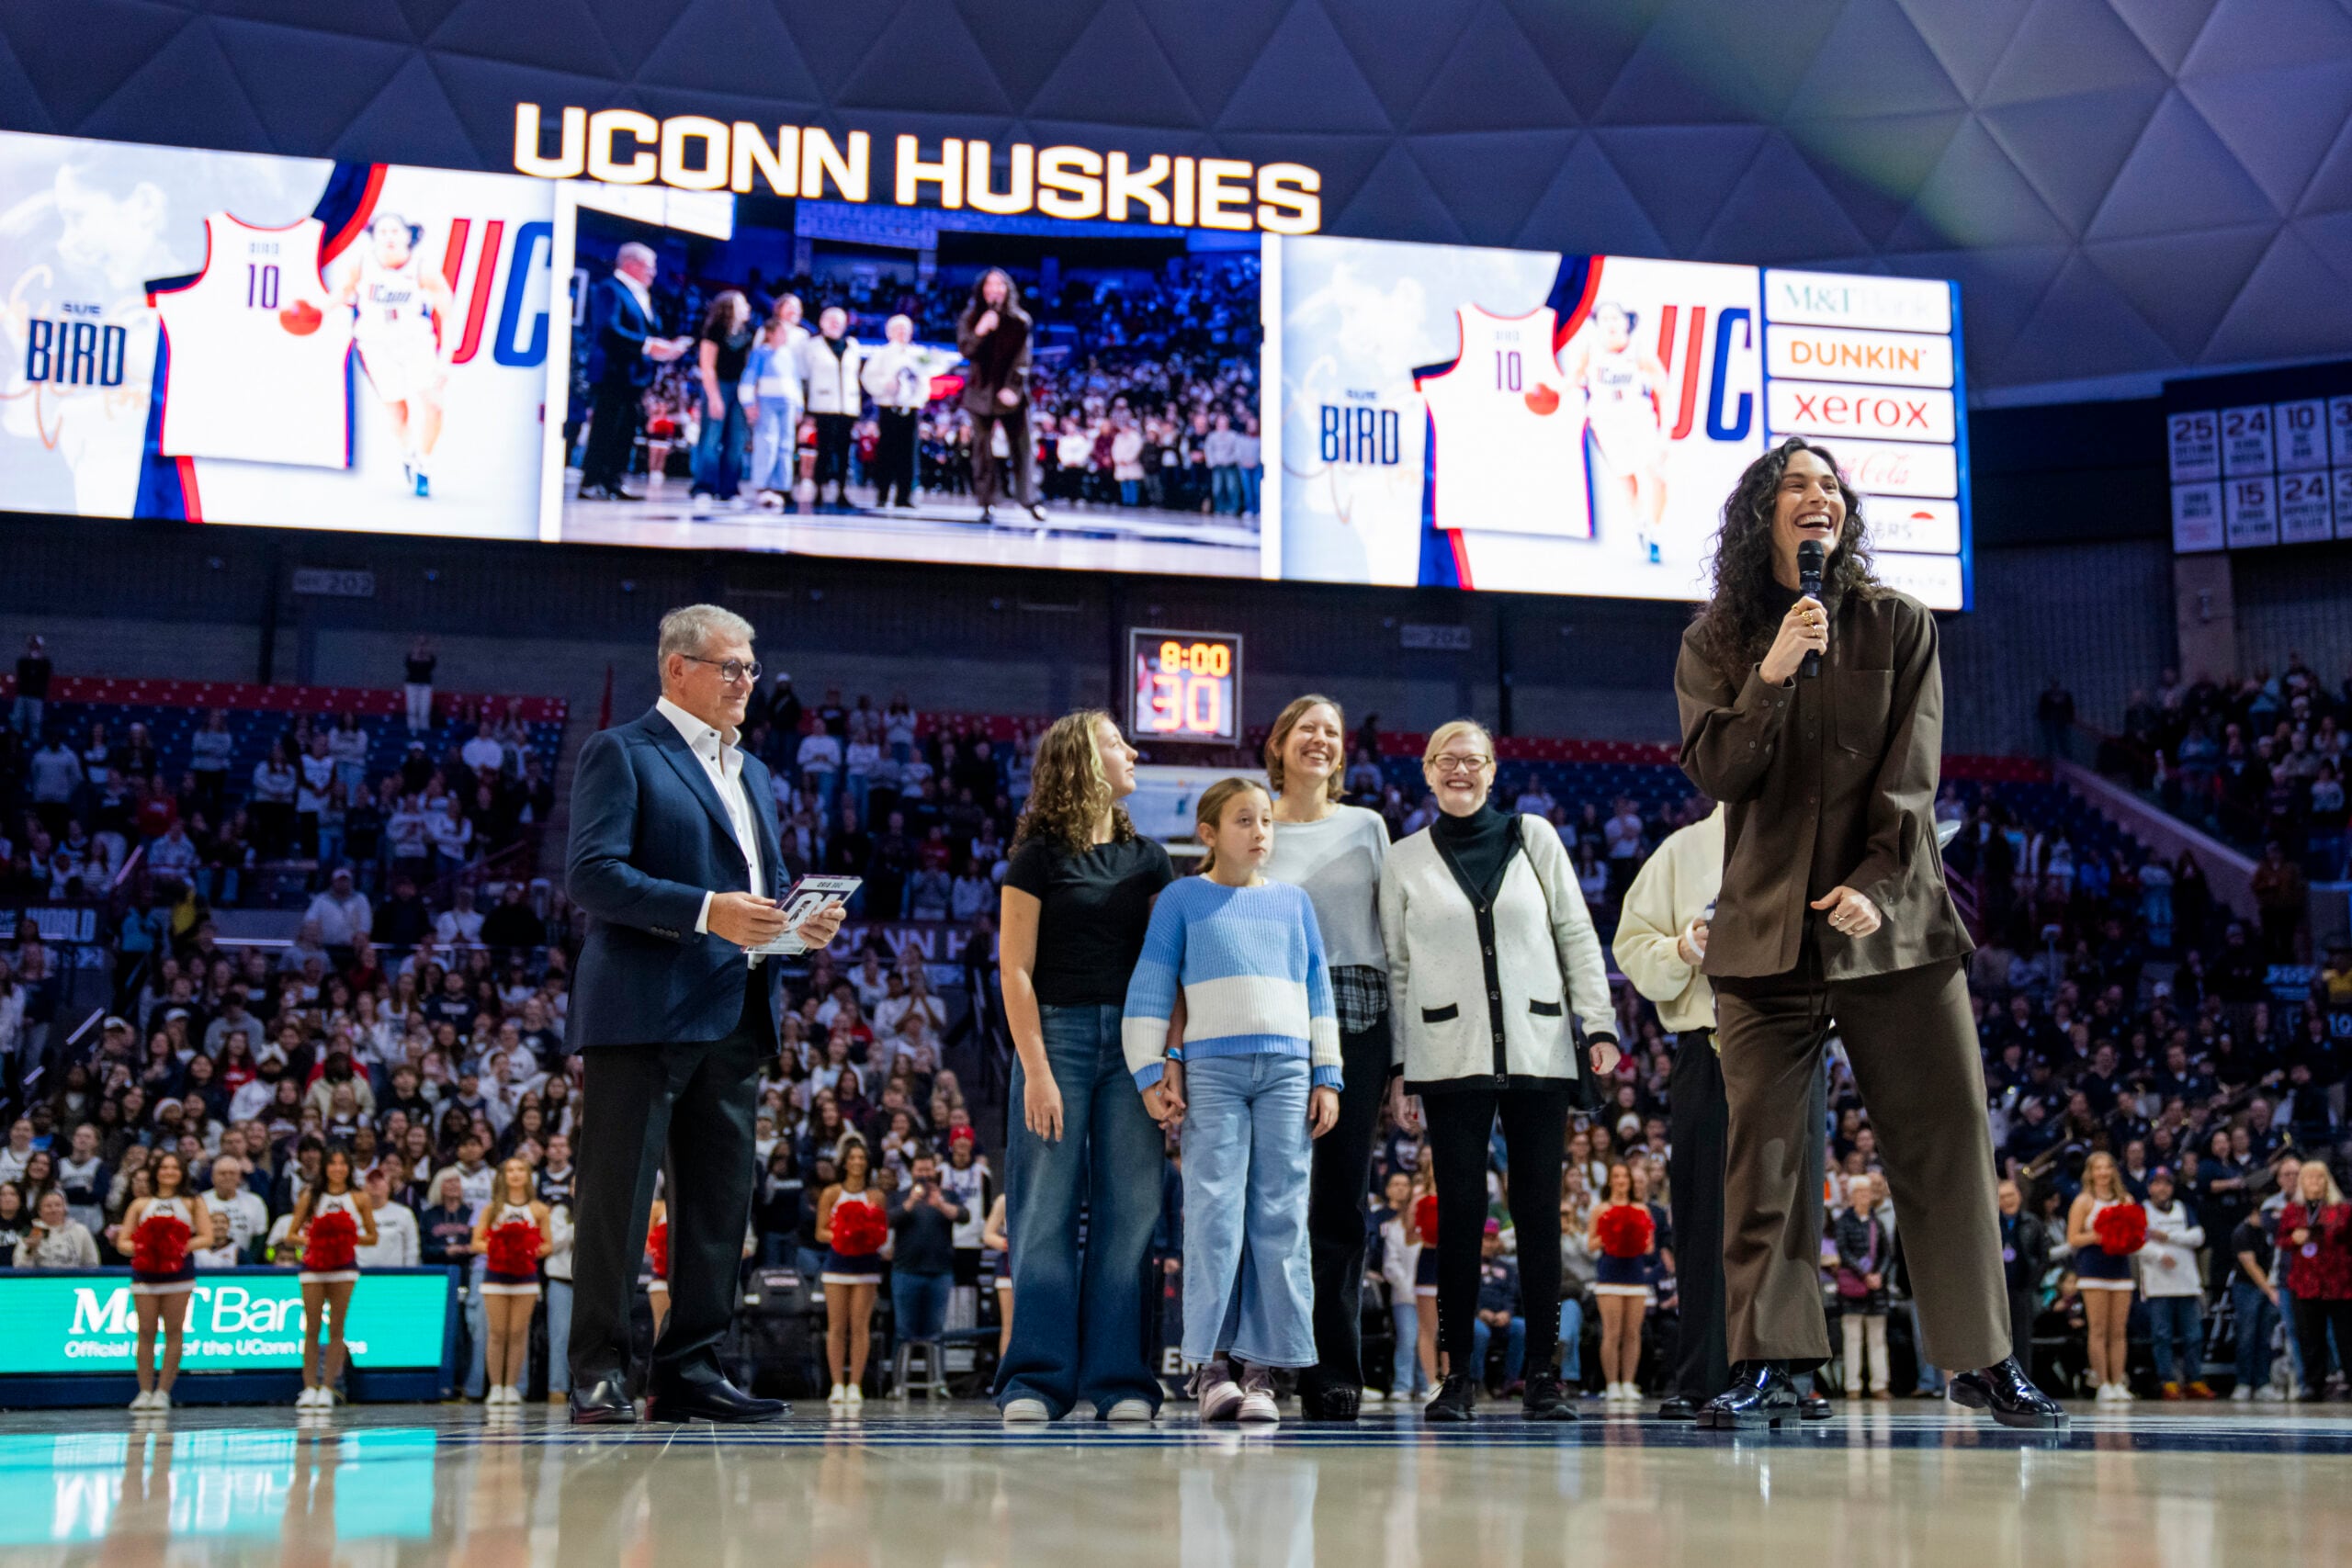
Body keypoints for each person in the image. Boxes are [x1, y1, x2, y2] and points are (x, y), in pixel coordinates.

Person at [1673, 437, 2065, 1432]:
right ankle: (1770, 1364)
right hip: (1762, 936)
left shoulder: (1898, 623)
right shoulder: (1715, 641)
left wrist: (1873, 886)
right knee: (1763, 1157)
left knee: (1943, 1140)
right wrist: (1769, 671)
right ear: (1759, 512)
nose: (1820, 497)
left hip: (1892, 928)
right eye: (1797, 484)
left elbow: (1911, 780)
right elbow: (1717, 773)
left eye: (1829, 486)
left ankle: (1981, 1360)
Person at [563, 604, 846, 1426]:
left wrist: (803, 921)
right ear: (677, 669)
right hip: (643, 1009)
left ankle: (689, 1368)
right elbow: (592, 876)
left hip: (738, 1005)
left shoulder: (753, 771)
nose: (745, 682)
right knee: (618, 1201)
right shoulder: (622, 752)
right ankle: (603, 1369)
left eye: (752, 668)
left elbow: (768, 882)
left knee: (719, 1207)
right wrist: (704, 910)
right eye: (730, 667)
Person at [1379, 718, 1616, 1422]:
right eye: (1445, 759)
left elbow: (1574, 929)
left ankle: (1542, 1372)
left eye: (1473, 759)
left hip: (1540, 1048)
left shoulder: (1533, 836)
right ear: (1425, 770)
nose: (1460, 770)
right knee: (1458, 1214)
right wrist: (1400, 1066)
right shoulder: (1403, 859)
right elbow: (1396, 968)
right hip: (1448, 1054)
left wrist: (1597, 1022)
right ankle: (1456, 1376)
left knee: (1538, 1209)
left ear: (1492, 769)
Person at [1125, 776, 1341, 1427]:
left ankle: (1262, 1370)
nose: (1259, 833)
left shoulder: (1295, 902)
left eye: (1266, 821)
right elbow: (1153, 982)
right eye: (1244, 820)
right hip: (1213, 1071)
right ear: (1208, 833)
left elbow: (1317, 989)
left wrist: (1327, 1071)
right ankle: (1211, 1366)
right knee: (1214, 1212)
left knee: (1279, 1214)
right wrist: (1148, 1071)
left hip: (1286, 1070)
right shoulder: (1182, 899)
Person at [993, 710, 1173, 1424]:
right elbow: (1014, 970)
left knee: (1131, 1214)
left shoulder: (1152, 859)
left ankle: (1119, 1378)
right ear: (1080, 759)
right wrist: (1035, 1068)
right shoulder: (1036, 856)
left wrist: (1166, 1059)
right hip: (1057, 1039)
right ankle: (1035, 1380)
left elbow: (1166, 968)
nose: (1132, 750)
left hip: (1136, 1041)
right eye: (1116, 742)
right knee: (1043, 1214)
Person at [1259, 694, 1394, 1420]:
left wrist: (1400, 1057)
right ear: (1278, 743)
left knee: (1339, 1202)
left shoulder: (1368, 826)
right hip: (1269, 1013)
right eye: (1306, 728)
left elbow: (1392, 940)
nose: (1320, 739)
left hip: (1360, 1014)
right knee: (1270, 1199)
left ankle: (1332, 1368)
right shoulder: (1252, 821)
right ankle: (1259, 1363)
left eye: (1332, 732)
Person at [1611, 803, 1736, 1420]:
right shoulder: (1683, 849)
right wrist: (1684, 946)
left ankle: (1789, 1370)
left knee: (1787, 1215)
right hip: (1708, 1045)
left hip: (1791, 1046)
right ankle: (1704, 1372)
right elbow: (1631, 945)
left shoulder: (1805, 840)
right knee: (1703, 1214)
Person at [578, 243, 687, 501]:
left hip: (634, 376)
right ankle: (591, 481)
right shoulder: (610, 289)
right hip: (613, 373)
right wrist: (649, 346)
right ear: (631, 264)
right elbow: (608, 330)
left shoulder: (640, 293)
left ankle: (613, 480)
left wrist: (665, 347)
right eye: (650, 267)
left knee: (625, 430)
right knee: (606, 428)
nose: (654, 273)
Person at [288, 1147, 377, 1410]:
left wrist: (344, 1237)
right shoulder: (310, 1196)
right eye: (332, 1163)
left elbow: (373, 1237)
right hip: (313, 1266)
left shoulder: (359, 1197)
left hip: (344, 1266)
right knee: (312, 1328)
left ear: (349, 1168)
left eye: (342, 1163)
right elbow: (290, 1235)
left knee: (337, 1328)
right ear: (324, 1167)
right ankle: (308, 1388)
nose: (337, 1168)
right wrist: (316, 1240)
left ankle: (328, 1387)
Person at [956, 269, 1044, 525]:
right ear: (982, 290)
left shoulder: (1020, 320)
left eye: (999, 285)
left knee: (1023, 449)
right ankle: (987, 503)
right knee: (982, 452)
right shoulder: (971, 317)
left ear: (1007, 289)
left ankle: (1029, 500)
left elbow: (1023, 359)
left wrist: (1013, 388)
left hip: (1011, 395)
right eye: (989, 285)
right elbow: (966, 350)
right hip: (979, 393)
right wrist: (980, 330)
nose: (994, 289)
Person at [122, 1150, 200, 1412]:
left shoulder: (192, 1202)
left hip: (179, 1274)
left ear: (182, 1173)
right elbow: (123, 1242)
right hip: (146, 1275)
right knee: (145, 1331)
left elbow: (207, 1237)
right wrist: (146, 1248)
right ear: (156, 1172)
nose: (169, 1172)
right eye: (164, 1167)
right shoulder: (140, 1204)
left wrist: (175, 1247)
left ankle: (163, 1392)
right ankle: (144, 1391)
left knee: (174, 1330)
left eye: (175, 1168)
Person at [471, 1156, 551, 1407]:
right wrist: (500, 1247)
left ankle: (512, 1387)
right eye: (510, 1170)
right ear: (503, 1177)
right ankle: (495, 1387)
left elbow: (548, 1244)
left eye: (520, 1170)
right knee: (496, 1333)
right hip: (495, 1276)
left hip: (526, 1277)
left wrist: (526, 1249)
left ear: (528, 1176)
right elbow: (476, 1242)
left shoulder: (539, 1209)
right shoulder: (491, 1208)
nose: (515, 1174)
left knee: (518, 1333)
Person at [2066, 1150, 2141, 1403]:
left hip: (2119, 1268)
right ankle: (2102, 1383)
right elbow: (2073, 1238)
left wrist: (2125, 1236)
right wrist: (2100, 1235)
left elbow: (2137, 1232)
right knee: (2098, 1329)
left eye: (2107, 1167)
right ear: (2090, 1172)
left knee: (2118, 1330)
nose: (2103, 1172)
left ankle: (2119, 1381)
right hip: (2092, 1267)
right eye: (2098, 1168)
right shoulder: (2084, 1201)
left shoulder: (2126, 1198)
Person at [888, 1146, 966, 1377]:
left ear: (935, 1170)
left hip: (940, 1272)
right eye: (920, 1169)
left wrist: (940, 1203)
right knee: (903, 1332)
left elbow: (963, 1216)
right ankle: (898, 1382)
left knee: (936, 1333)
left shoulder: (947, 1195)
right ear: (912, 1171)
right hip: (905, 1271)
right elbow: (889, 1220)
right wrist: (911, 1202)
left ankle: (937, 1381)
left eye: (928, 1169)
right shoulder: (900, 1195)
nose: (924, 1173)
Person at [818, 1139, 885, 1407]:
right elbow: (819, 1231)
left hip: (866, 1265)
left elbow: (882, 1232)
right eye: (853, 1158)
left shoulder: (876, 1196)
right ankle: (836, 1384)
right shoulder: (832, 1193)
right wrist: (844, 1234)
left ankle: (855, 1384)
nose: (857, 1162)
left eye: (862, 1158)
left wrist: (865, 1237)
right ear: (845, 1163)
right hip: (837, 1264)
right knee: (836, 1326)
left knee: (860, 1326)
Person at [2278, 1159, 2352, 1400]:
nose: (2315, 1182)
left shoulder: (2342, 1209)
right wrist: (2294, 1239)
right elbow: (2282, 1240)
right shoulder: (2293, 1210)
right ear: (2302, 1182)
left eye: (2319, 1177)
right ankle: (2313, 1383)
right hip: (2305, 1281)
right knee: (2309, 1337)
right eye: (2309, 1177)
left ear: (2327, 1181)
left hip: (2338, 1281)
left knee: (2346, 1336)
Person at [2141, 1166, 2214, 1398]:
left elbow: (2198, 1236)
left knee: (2194, 1336)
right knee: (2162, 1336)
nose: (2162, 1188)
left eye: (2166, 1183)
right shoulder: (2142, 1211)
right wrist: (2160, 1255)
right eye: (2157, 1183)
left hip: (2186, 1282)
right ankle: (2168, 1380)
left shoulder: (2183, 1209)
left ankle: (2194, 1378)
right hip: (2157, 1285)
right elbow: (2137, 1242)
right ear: (2150, 1187)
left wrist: (2168, 1237)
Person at [1588, 1162, 1655, 1402]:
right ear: (1610, 1181)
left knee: (1632, 1333)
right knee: (1612, 1333)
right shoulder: (1600, 1209)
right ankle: (1612, 1383)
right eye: (1616, 1176)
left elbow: (1649, 1247)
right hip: (1609, 1275)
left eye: (1624, 1176)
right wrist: (1611, 1234)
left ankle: (1628, 1382)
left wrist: (1631, 1236)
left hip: (1635, 1275)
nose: (1621, 1180)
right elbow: (1591, 1244)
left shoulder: (1642, 1209)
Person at [688, 289, 754, 520]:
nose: (748, 308)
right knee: (711, 438)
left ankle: (729, 489)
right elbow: (707, 367)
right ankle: (703, 486)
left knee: (736, 441)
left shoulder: (749, 333)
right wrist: (714, 396)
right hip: (718, 386)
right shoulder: (714, 331)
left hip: (740, 388)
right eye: (743, 304)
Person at [1834, 1174, 1894, 1400]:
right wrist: (1864, 1273)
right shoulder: (1843, 1221)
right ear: (1851, 1195)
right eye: (1859, 1191)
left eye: (1867, 1192)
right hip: (1852, 1289)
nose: (1863, 1196)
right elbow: (1843, 1250)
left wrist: (1879, 1274)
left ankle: (1880, 1384)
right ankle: (1853, 1386)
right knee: (1852, 1338)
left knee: (1878, 1338)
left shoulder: (1875, 1222)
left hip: (1876, 1290)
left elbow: (1887, 1254)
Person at [746, 294, 808, 507]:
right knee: (767, 442)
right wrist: (749, 401)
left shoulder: (797, 344)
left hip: (788, 401)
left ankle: (782, 486)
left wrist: (799, 405)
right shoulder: (762, 348)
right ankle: (763, 485)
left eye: (796, 307)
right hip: (766, 400)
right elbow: (750, 377)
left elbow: (797, 379)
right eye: (788, 307)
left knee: (785, 444)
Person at [798, 306, 864, 508]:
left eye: (839, 320)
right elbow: (804, 375)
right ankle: (818, 490)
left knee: (844, 452)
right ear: (822, 323)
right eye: (831, 320)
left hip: (848, 406)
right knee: (824, 450)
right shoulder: (812, 346)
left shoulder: (852, 345)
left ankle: (842, 491)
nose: (835, 324)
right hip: (823, 405)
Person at [860, 313, 927, 508]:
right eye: (898, 329)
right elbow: (868, 378)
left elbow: (926, 378)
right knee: (886, 452)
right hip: (889, 406)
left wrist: (919, 397)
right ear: (889, 332)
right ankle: (882, 493)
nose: (902, 333)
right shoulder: (881, 354)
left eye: (906, 329)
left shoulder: (918, 353)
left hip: (911, 407)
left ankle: (904, 495)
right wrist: (884, 386)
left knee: (909, 454)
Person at [1376, 1170, 1429, 1400]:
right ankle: (1402, 1384)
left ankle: (1425, 1383)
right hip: (1404, 1296)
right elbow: (1391, 1264)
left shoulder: (1428, 1231)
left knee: (1426, 1339)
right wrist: (1407, 1288)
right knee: (1408, 1339)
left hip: (1427, 1294)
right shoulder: (1394, 1228)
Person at [1996, 1179, 2051, 1388]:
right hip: (1998, 1292)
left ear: (2019, 1196)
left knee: (2022, 1338)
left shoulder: (2032, 1223)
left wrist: (2032, 1283)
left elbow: (2042, 1256)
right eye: (2002, 1197)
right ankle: (1999, 1383)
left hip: (2022, 1289)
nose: (2007, 1200)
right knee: (1999, 1340)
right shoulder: (1991, 1223)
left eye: (2010, 1195)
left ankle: (2023, 1383)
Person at [2231, 1200, 2282, 1401]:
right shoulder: (2241, 1233)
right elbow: (2251, 1267)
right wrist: (2270, 1291)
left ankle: (2263, 1382)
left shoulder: (2269, 1231)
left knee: (2266, 1336)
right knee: (2247, 1335)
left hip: (2270, 1287)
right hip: (2248, 1287)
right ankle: (2243, 1382)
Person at [15, 1189, 98, 1267]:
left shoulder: (81, 1231)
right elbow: (19, 1267)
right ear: (39, 1211)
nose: (53, 1209)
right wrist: (30, 1250)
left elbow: (92, 1264)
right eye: (48, 1206)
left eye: (58, 1205)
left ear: (65, 1209)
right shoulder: (29, 1232)